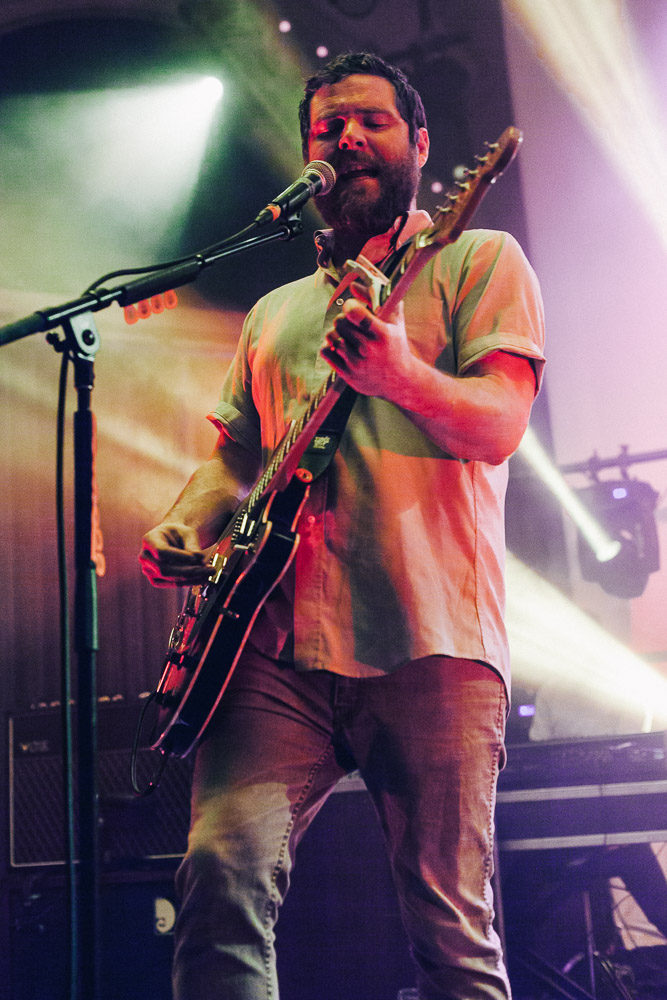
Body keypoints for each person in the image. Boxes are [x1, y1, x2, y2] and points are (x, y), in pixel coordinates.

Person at [139, 51, 546, 1000]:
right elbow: (235, 457)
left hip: (429, 639)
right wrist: (186, 520)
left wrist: (398, 374)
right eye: (328, 129)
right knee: (218, 880)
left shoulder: (477, 260)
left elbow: (499, 424)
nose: (347, 140)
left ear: (420, 145)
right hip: (272, 647)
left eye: (370, 122)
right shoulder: (276, 312)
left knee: (451, 925)